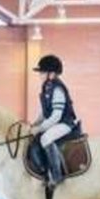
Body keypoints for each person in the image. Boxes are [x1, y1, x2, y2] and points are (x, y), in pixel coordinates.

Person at [30, 54, 80, 189]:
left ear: (51, 74)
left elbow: (56, 116)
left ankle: (57, 176)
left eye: (42, 72)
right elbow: (44, 112)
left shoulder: (57, 89)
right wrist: (34, 124)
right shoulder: (47, 87)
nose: (40, 74)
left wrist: (40, 129)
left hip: (66, 123)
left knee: (45, 138)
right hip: (57, 122)